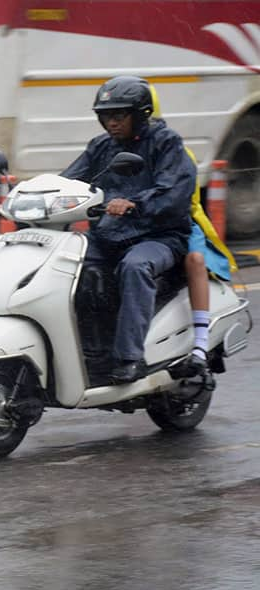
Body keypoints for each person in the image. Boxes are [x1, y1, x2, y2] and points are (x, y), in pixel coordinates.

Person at [62, 75, 195, 383]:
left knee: (135, 267)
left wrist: (134, 203)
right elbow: (70, 180)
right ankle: (90, 351)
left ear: (140, 114)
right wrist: (34, 192)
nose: (112, 123)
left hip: (161, 237)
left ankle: (130, 358)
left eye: (119, 115)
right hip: (110, 235)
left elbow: (174, 193)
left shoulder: (166, 143)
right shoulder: (101, 146)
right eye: (106, 116)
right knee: (67, 264)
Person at [147, 86, 239, 377]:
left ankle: (200, 343)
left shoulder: (174, 151)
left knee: (195, 261)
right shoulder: (110, 147)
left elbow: (180, 202)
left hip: (177, 223)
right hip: (129, 227)